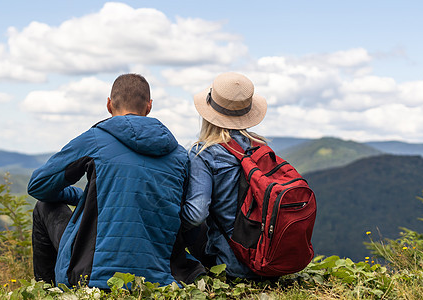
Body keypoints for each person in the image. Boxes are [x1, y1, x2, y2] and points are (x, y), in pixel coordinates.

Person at [28, 73, 203, 289]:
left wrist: (77, 196)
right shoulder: (178, 154)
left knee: (44, 205)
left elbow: (38, 185)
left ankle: (46, 290)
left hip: (90, 275)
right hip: (158, 279)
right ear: (149, 106)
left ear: (109, 104)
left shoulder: (94, 139)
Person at [180, 72, 268, 279]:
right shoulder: (261, 148)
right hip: (267, 260)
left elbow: (196, 214)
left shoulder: (203, 153)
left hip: (230, 266)